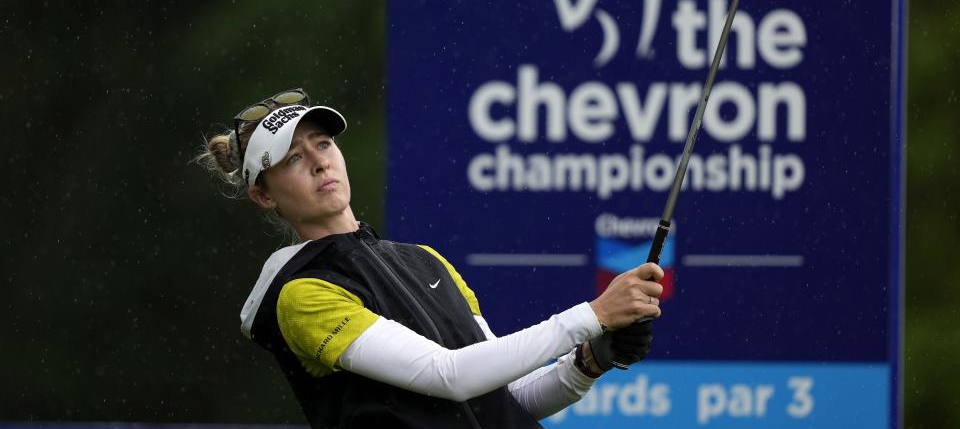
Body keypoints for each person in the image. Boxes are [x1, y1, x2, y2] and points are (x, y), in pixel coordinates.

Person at [197, 88, 664, 428]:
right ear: (262, 195)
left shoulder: (425, 260)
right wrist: (594, 314)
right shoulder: (301, 294)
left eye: (322, 144)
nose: (320, 161)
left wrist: (587, 362)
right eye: (294, 159)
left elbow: (501, 401)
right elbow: (451, 376)